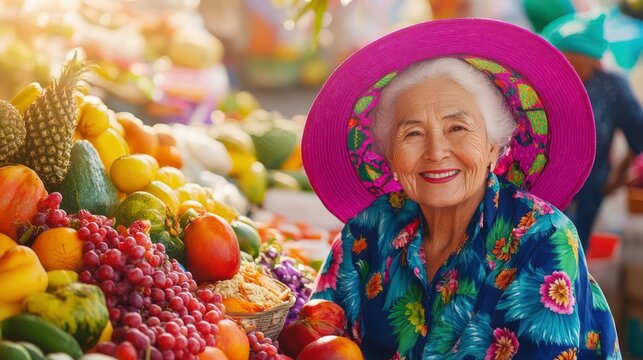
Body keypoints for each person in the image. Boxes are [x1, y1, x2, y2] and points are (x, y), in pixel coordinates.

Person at [301, 18, 621, 359]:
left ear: (493, 148)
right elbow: (313, 340)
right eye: (412, 133)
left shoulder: (543, 238)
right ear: (390, 156)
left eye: (457, 127)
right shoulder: (366, 234)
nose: (436, 152)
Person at [542, 11, 643, 250]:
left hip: (591, 190)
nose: (563, 64)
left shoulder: (612, 86)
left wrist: (618, 175)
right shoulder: (545, 83)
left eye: (569, 59)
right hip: (545, 191)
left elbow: (638, 132)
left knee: (576, 250)